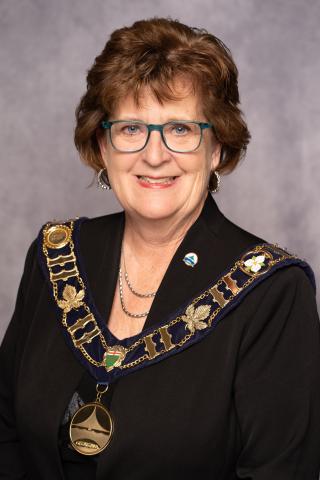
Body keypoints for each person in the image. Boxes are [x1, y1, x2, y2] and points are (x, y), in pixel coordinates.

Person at [0, 17, 319, 480]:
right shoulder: (56, 255)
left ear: (216, 149)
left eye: (181, 129)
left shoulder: (272, 292)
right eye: (131, 129)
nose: (154, 155)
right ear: (102, 145)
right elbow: (6, 429)